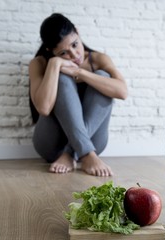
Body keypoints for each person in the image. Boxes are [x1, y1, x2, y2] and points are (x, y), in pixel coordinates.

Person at [29, 13, 127, 176]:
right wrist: (54, 65)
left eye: (75, 44)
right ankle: (82, 153)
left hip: (94, 142)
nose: (74, 55)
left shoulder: (98, 59)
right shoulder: (39, 63)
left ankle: (73, 153)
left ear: (78, 32)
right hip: (52, 145)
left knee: (103, 77)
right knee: (62, 78)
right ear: (50, 51)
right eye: (63, 53)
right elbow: (44, 108)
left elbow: (122, 92)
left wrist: (80, 73)